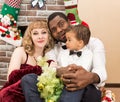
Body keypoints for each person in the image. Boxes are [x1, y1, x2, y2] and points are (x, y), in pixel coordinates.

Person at [21, 12, 107, 102]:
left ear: (69, 22)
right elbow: (49, 67)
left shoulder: (94, 43)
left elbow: (100, 70)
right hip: (60, 86)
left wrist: (85, 77)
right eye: (54, 29)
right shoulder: (53, 48)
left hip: (86, 89)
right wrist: (59, 71)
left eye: (61, 24)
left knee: (74, 80)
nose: (58, 30)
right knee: (28, 79)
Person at [0, 20, 55, 102]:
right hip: (12, 96)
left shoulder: (48, 57)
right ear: (30, 37)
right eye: (35, 33)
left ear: (49, 36)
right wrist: (41, 69)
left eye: (43, 32)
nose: (40, 37)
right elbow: (11, 78)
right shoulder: (21, 51)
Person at [57, 24, 93, 102]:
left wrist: (70, 70)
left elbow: (83, 69)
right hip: (62, 80)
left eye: (69, 40)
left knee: (73, 91)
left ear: (80, 43)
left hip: (78, 82)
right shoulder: (63, 53)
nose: (66, 42)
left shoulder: (88, 54)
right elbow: (61, 67)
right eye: (66, 40)